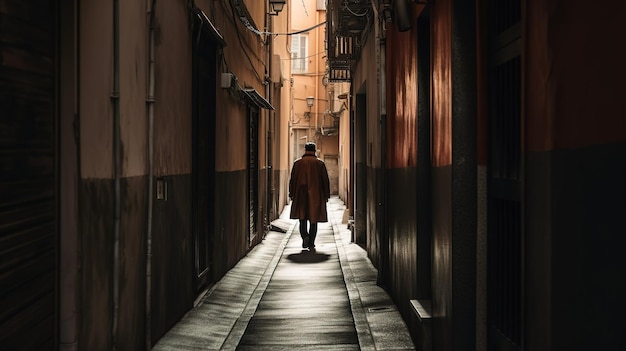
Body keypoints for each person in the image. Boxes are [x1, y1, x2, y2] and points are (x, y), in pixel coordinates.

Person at [289, 142, 331, 250]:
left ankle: (305, 237)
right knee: (314, 219)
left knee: (302, 219)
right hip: (315, 195)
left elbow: (292, 180)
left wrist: (292, 193)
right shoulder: (319, 164)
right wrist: (326, 194)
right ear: (315, 150)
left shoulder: (297, 164)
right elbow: (325, 180)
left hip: (300, 194)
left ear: (305, 150)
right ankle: (311, 242)